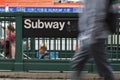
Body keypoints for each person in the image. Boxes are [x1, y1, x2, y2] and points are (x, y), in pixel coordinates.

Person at [71, 0, 116, 80]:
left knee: (103, 68)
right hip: (89, 36)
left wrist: (90, 37)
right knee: (78, 62)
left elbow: (95, 16)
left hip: (95, 37)